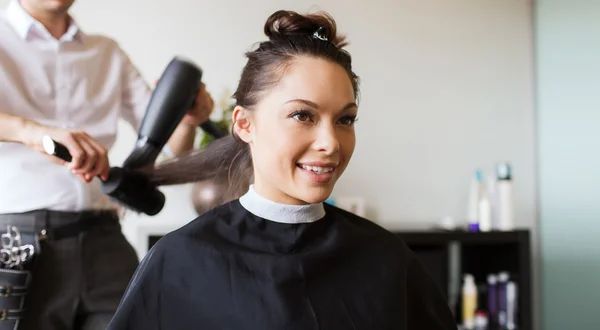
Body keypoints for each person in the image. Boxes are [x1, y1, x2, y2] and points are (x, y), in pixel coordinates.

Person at [107, 9, 458, 330]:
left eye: (345, 119)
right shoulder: (180, 260)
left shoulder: (387, 260)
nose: (331, 143)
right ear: (245, 125)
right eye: (302, 115)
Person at [0, 0, 214, 329]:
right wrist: (33, 132)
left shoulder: (107, 52)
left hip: (104, 237)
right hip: (16, 240)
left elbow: (174, 146)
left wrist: (187, 118)